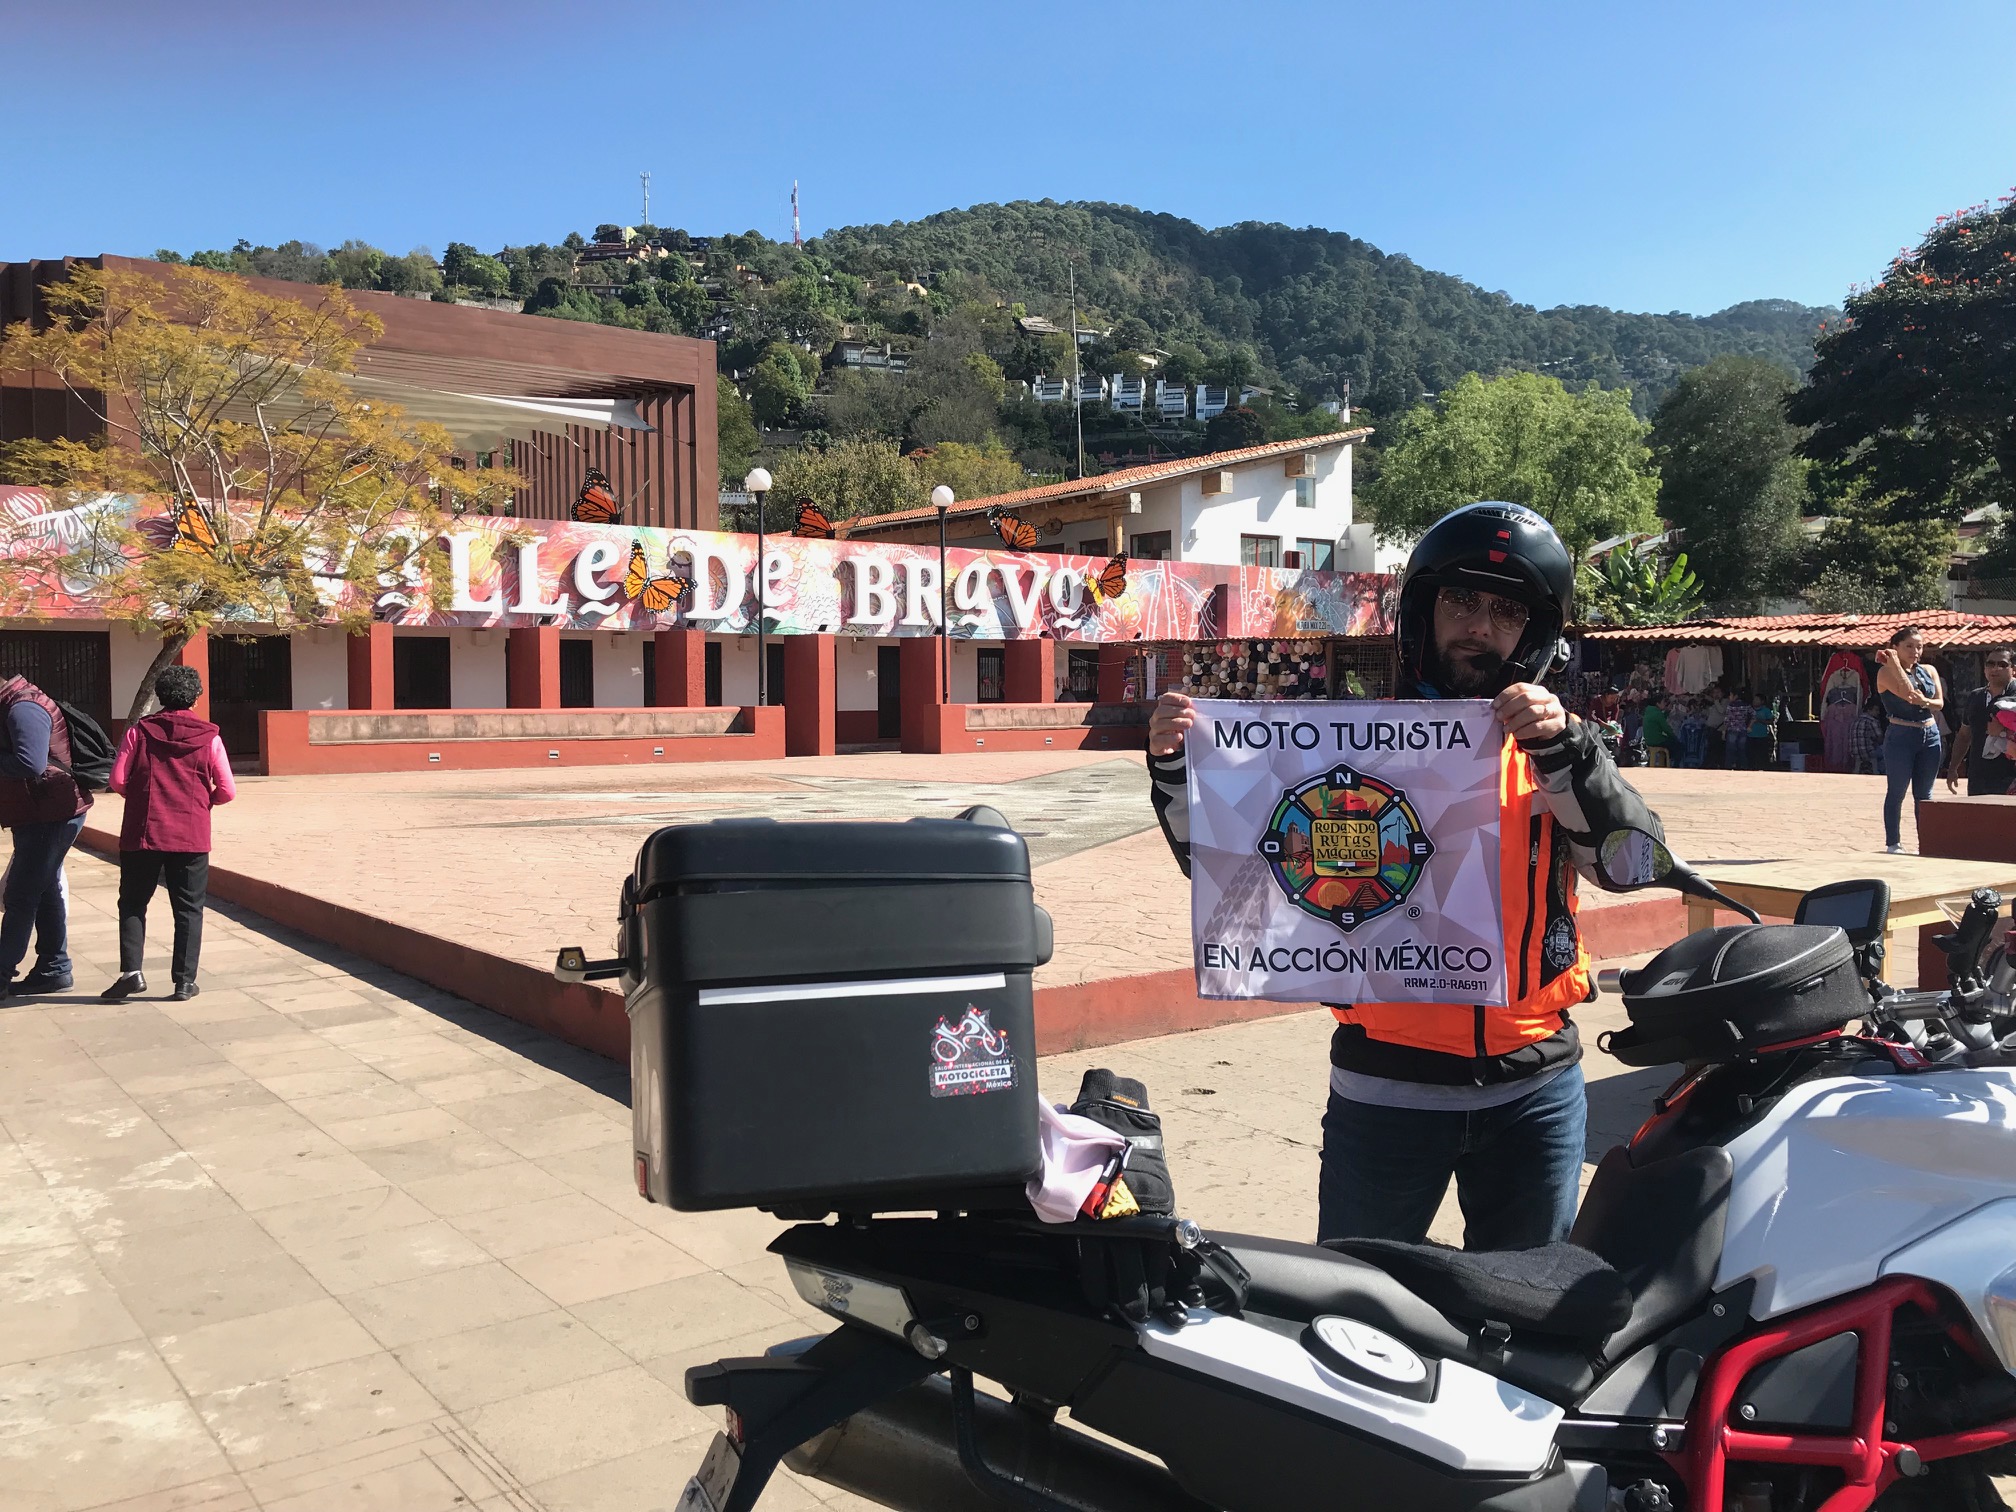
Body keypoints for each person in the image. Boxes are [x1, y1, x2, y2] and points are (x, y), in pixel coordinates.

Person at [1146, 501, 1662, 1251]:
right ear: (1423, 611)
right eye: (1460, 599)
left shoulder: (1555, 751)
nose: (1479, 625)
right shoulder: (1340, 750)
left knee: (1526, 1319)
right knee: (1357, 1315)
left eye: (1505, 610)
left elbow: (1633, 864)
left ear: (1536, 633)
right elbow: (1230, 877)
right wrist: (1174, 771)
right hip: (1385, 1090)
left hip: (1536, 1089)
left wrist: (1570, 755)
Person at [103, 666, 235, 1001]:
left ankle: (132, 974)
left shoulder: (140, 732)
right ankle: (184, 982)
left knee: (133, 902)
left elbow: (118, 780)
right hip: (190, 833)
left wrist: (143, 795)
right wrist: (205, 801)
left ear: (160, 695)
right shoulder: (210, 737)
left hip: (143, 831)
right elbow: (227, 790)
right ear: (195, 697)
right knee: (189, 908)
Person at [0, 674, 94, 996]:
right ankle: (54, 969)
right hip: (38, 812)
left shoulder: (22, 708)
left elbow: (30, 762)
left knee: (22, 893)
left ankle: (1, 973)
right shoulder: (12, 704)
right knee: (45, 888)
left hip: (51, 814)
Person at [1876, 626, 1944, 854]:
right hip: (1901, 734)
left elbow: (1939, 703)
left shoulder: (1930, 670)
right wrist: (1894, 663)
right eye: (1909, 646)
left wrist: (1925, 701)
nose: (1915, 651)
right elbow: (1909, 693)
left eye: (1919, 646)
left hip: (1930, 733)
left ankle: (1926, 842)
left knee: (1925, 794)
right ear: (1895, 648)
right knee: (1897, 791)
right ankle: (1893, 842)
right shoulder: (1885, 672)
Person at [1945, 645, 2016, 798]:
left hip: (2010, 778)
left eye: (2002, 664)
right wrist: (1953, 768)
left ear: (2013, 669)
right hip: (1979, 776)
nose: (1995, 669)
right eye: (1990, 664)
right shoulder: (1975, 697)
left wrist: (2003, 731)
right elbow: (1964, 735)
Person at [1852, 695, 1885, 777]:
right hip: (1869, 752)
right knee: (1889, 750)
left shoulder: (1856, 720)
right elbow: (1880, 738)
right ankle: (1882, 771)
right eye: (1876, 710)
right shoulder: (1872, 721)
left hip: (1854, 752)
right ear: (1869, 710)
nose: (1878, 713)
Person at [1641, 693, 1675, 767]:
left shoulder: (1649, 711)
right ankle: (1673, 765)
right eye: (1663, 702)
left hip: (1648, 740)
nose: (1665, 704)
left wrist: (1667, 711)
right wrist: (1673, 736)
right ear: (1658, 703)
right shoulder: (1657, 713)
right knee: (1677, 745)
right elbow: (1666, 728)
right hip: (1657, 740)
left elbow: (1660, 719)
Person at [1723, 689, 1751, 768]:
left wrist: (1724, 731)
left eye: (1731, 695)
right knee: (1742, 749)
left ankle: (1730, 765)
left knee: (1731, 749)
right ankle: (1743, 765)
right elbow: (1754, 715)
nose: (1729, 697)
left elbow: (1727, 719)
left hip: (1732, 729)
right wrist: (1749, 726)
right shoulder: (1746, 705)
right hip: (1742, 729)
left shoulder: (1730, 706)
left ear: (1735, 696)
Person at [1701, 684, 1727, 768]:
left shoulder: (1725, 702)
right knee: (1710, 749)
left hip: (1718, 730)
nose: (1716, 694)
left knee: (1716, 750)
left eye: (1718, 692)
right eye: (1714, 692)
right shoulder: (1712, 704)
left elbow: (1722, 711)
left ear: (1722, 693)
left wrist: (1715, 701)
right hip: (1710, 729)